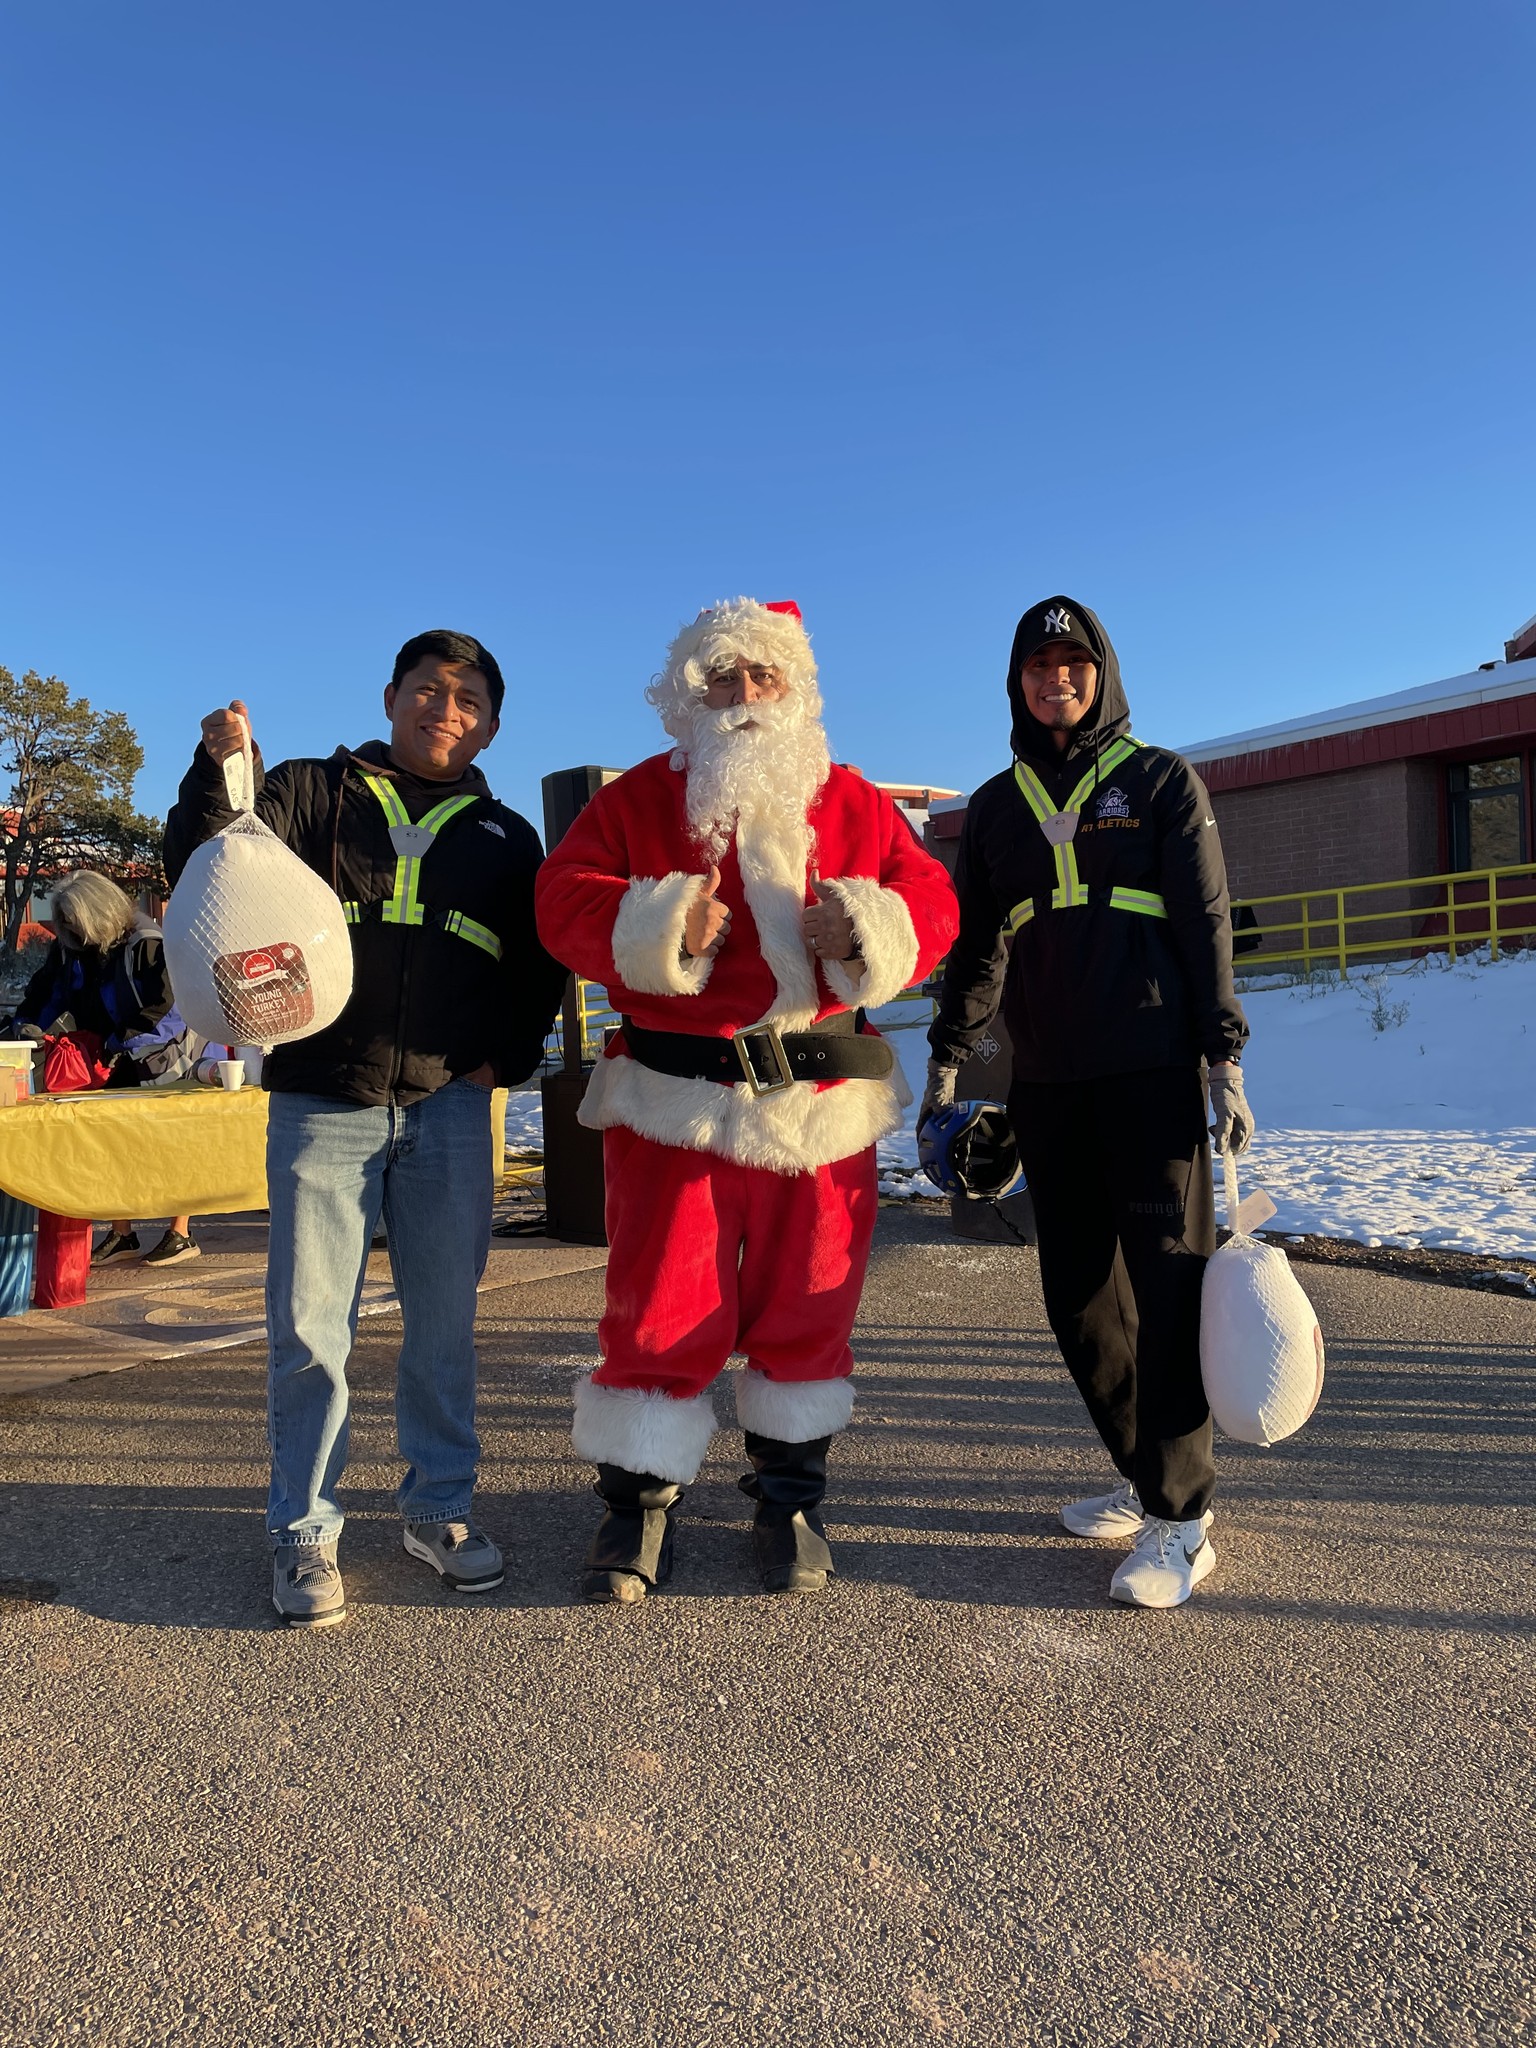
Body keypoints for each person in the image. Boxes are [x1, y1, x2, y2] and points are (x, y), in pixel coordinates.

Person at [535, 599, 957, 1602]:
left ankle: (792, 1499)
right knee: (659, 1302)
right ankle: (635, 1503)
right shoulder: (641, 800)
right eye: (723, 677)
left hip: (818, 1106)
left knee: (810, 1300)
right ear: (692, 692)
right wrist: (668, 915)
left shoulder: (853, 800)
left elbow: (932, 901)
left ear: (795, 688)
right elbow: (562, 896)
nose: (744, 695)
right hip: (674, 1102)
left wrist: (863, 925)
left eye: (764, 676)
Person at [165, 629, 565, 1629]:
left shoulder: (507, 836)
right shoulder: (310, 790)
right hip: (320, 1100)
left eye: (468, 697)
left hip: (450, 1107)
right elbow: (207, 865)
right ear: (390, 698)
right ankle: (304, 1529)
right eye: (428, 688)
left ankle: (440, 1510)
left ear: (491, 725)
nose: (446, 707)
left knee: (444, 1327)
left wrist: (501, 1063)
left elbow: (540, 963)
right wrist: (217, 769)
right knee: (311, 1329)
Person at [923, 596, 1253, 1611]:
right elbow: (979, 944)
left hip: (1152, 1071)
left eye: (1074, 662)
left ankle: (1182, 1516)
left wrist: (1222, 1055)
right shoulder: (994, 805)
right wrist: (947, 1058)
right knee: (1075, 1294)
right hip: (1050, 1079)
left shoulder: (1160, 780)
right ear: (1017, 681)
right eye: (1038, 665)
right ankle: (1140, 1469)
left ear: (1102, 672)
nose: (1056, 679)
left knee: (1169, 1293)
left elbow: (1202, 920)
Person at [1, 870, 201, 1265]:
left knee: (172, 1139)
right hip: (107, 1051)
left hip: (159, 1052)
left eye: (74, 924)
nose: (68, 933)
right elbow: (49, 992)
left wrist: (119, 1043)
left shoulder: (149, 944)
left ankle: (180, 1231)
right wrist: (26, 1027)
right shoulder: (71, 947)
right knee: (110, 1140)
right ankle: (122, 1233)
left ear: (98, 917)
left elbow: (168, 1012)